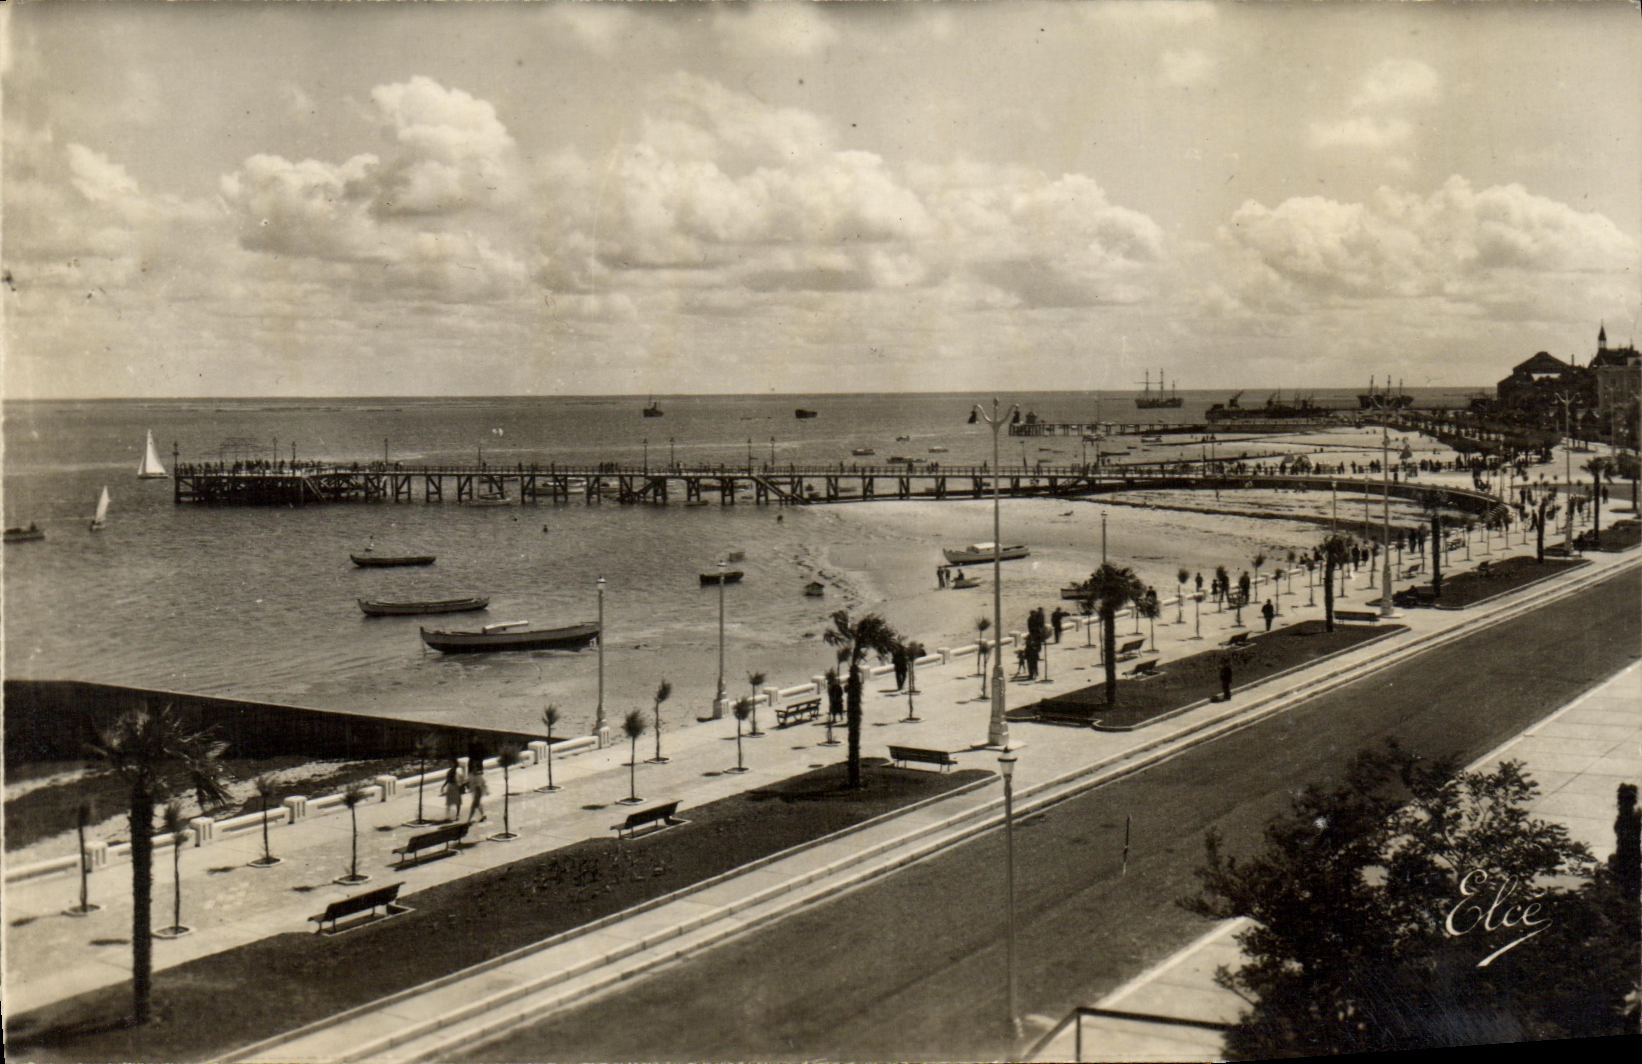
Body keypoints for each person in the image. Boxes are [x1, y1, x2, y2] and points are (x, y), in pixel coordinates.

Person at [440, 758, 465, 823]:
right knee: (449, 802)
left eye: (452, 763)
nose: (451, 764)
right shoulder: (449, 772)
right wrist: (443, 786)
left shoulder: (458, 771)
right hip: (451, 787)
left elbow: (462, 780)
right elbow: (447, 780)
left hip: (456, 787)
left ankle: (457, 815)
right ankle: (448, 816)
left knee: (457, 802)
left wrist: (461, 786)